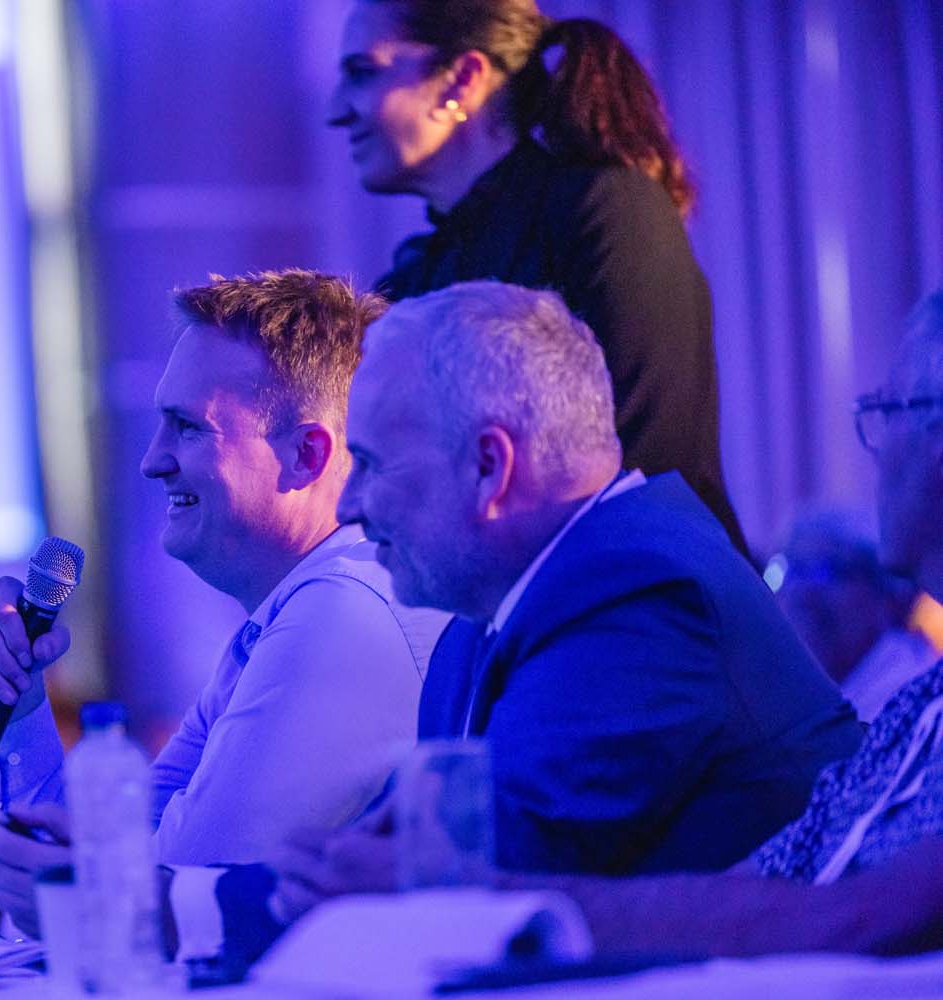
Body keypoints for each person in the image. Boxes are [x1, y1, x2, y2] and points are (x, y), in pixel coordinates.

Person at [276, 288, 943, 961]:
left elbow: (848, 921)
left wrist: (276, 897)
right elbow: (777, 891)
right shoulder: (476, 626)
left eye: (370, 464)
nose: (348, 506)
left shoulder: (644, 586)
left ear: (488, 466)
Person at [0, 271, 450, 930]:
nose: (151, 461)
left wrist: (69, 886)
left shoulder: (342, 612)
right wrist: (16, 695)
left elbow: (150, 918)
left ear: (305, 455)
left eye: (186, 428)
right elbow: (99, 859)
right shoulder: (293, 610)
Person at [327, 0, 746, 551]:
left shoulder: (609, 210)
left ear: (462, 79)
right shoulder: (415, 275)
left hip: (650, 590)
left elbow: (650, 461)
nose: (336, 110)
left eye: (363, 72)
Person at [770, 509, 937, 722]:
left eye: (825, 570)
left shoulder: (915, 698)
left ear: (884, 594)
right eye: (792, 570)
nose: (799, 591)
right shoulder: (798, 699)